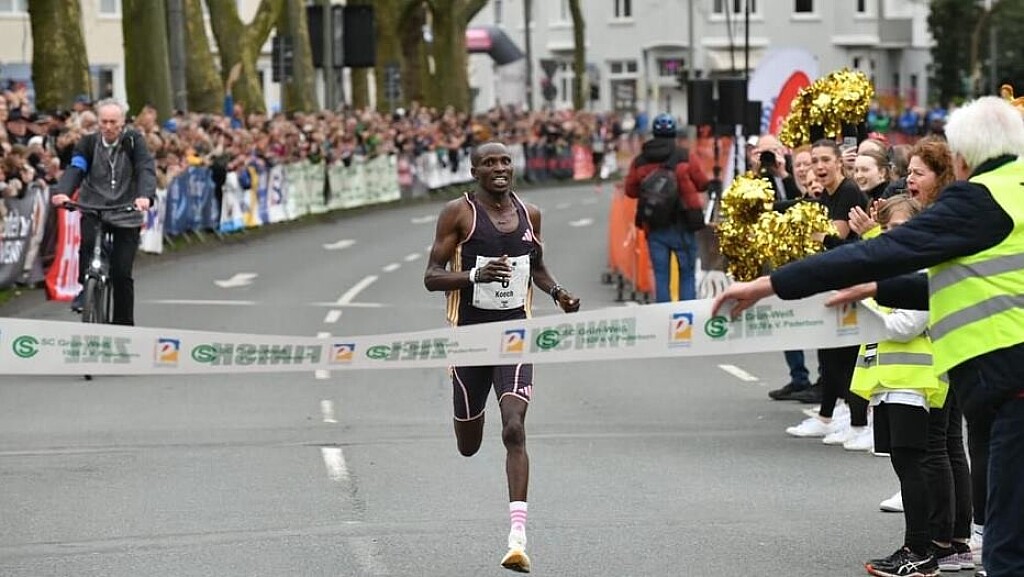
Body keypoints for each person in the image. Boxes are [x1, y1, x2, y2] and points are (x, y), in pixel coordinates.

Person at [711, 96, 1024, 577]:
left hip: (1008, 385)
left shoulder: (982, 197)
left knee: (1007, 548)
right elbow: (967, 281)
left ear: (962, 158)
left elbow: (883, 251)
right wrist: (878, 288)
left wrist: (770, 284)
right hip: (1002, 388)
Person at [423, 141, 580, 573]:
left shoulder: (531, 213)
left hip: (514, 335)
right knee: (469, 444)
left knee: (514, 427)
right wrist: (475, 275)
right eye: (489, 163)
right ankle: (467, 416)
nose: (499, 168)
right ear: (474, 171)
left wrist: (558, 293)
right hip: (469, 338)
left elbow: (537, 266)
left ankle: (517, 539)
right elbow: (431, 276)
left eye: (505, 161)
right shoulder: (458, 214)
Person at [50, 98, 155, 326]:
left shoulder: (134, 141)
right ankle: (85, 287)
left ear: (122, 122)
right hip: (94, 207)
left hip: (126, 210)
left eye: (113, 122)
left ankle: (123, 326)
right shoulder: (87, 143)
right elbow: (76, 169)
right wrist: (63, 192)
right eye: (103, 122)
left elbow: (145, 168)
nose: (108, 127)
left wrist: (145, 195)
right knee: (88, 245)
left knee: (121, 273)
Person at [623, 113, 709, 302]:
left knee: (661, 275)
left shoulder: (640, 161)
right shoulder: (685, 156)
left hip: (654, 225)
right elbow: (702, 183)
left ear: (653, 133)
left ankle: (664, 316)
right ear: (674, 133)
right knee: (687, 274)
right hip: (683, 224)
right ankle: (687, 315)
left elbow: (630, 190)